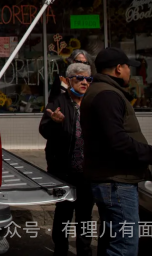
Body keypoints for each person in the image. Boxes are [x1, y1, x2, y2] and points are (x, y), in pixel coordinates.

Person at [80, 47, 152, 256]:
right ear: (118, 69)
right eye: (127, 68)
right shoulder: (107, 95)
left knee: (112, 240)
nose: (130, 73)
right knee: (124, 247)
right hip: (116, 182)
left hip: (111, 179)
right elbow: (117, 141)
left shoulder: (103, 91)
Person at [40, 63, 95, 256]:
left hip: (88, 172)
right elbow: (44, 130)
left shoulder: (92, 103)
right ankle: (60, 250)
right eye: (79, 78)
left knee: (85, 216)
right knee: (63, 213)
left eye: (88, 79)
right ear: (69, 80)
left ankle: (85, 250)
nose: (84, 82)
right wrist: (55, 123)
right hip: (63, 171)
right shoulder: (58, 102)